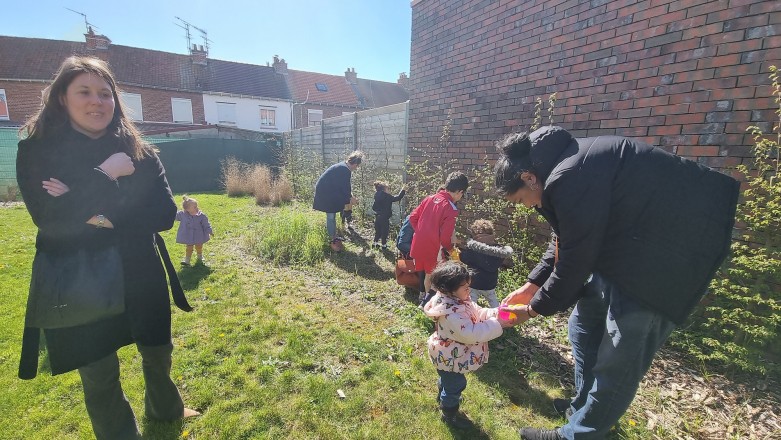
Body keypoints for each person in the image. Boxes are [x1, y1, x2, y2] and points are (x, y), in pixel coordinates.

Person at [493, 126, 739, 440]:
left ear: (529, 178)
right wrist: (531, 285)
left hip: (665, 261)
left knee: (618, 358)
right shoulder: (564, 169)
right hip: (627, 252)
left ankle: (581, 433)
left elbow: (575, 260)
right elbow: (565, 235)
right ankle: (584, 411)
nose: (526, 206)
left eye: (521, 199)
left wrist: (533, 309)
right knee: (582, 327)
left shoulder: (569, 174)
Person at [15, 56, 199, 440]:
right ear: (62, 98)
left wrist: (95, 213)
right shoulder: (38, 150)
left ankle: (166, 408)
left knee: (157, 352)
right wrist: (106, 174)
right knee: (99, 373)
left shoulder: (140, 152)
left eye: (105, 93)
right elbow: (51, 217)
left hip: (140, 269)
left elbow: (164, 214)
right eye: (84, 91)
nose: (97, 101)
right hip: (80, 276)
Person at [423, 261, 518, 429]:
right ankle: (449, 414)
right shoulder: (451, 313)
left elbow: (476, 311)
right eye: (465, 287)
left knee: (448, 380)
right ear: (449, 290)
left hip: (448, 355)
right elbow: (471, 334)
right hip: (450, 356)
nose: (469, 290)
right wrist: (499, 324)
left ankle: (444, 393)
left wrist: (495, 312)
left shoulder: (457, 300)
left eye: (469, 286)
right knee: (457, 385)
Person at [409, 171, 469, 306]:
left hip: (418, 244)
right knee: (436, 277)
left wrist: (420, 232)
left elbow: (413, 218)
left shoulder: (429, 198)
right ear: (459, 191)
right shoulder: (450, 208)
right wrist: (450, 249)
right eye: (463, 193)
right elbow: (445, 238)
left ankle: (424, 298)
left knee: (427, 274)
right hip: (434, 248)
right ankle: (427, 305)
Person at [312, 151, 364, 252]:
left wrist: (350, 197)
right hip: (325, 192)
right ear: (355, 164)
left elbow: (343, 187)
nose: (356, 168)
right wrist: (351, 199)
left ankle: (334, 236)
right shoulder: (345, 170)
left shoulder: (343, 166)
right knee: (331, 216)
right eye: (357, 166)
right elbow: (345, 188)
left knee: (333, 215)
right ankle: (333, 240)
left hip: (330, 191)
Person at [459, 219, 513, 308]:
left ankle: (472, 317)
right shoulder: (498, 250)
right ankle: (500, 316)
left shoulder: (474, 248)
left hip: (474, 283)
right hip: (490, 283)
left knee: (471, 303)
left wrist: (459, 253)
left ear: (475, 235)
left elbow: (464, 258)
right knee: (493, 301)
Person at [176, 195, 214, 266]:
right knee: (189, 247)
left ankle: (200, 256)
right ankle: (187, 260)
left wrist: (210, 230)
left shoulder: (201, 216)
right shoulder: (182, 214)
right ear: (187, 209)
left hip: (199, 235)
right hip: (188, 235)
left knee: (199, 246)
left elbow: (206, 224)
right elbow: (174, 216)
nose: (196, 207)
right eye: (194, 206)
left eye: (196, 205)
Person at [371, 180, 406, 249]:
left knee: (377, 231)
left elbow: (373, 207)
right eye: (388, 188)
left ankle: (375, 243)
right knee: (385, 231)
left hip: (377, 216)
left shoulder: (376, 195)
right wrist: (403, 190)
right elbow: (398, 198)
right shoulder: (387, 196)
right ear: (384, 189)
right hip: (384, 217)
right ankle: (384, 245)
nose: (389, 190)